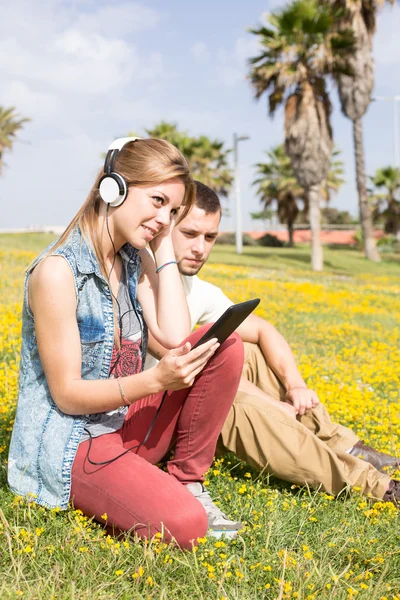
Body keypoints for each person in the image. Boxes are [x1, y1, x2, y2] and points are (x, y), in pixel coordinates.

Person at [8, 139, 245, 548]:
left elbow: (174, 336)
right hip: (74, 441)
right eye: (156, 201)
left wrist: (163, 247)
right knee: (186, 526)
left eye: (172, 211)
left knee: (224, 344)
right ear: (113, 188)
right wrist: (157, 382)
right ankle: (145, 488)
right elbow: (66, 396)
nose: (162, 219)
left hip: (120, 423)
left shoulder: (132, 259)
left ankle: (187, 480)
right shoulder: (57, 273)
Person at [145, 181, 400, 506]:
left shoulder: (196, 288)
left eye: (210, 237)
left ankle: (346, 446)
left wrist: (295, 386)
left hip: (180, 395)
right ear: (165, 227)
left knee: (245, 349)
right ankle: (378, 486)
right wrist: (269, 403)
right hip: (149, 415)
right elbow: (184, 368)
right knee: (238, 405)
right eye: (190, 234)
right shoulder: (141, 281)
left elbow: (263, 330)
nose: (200, 248)